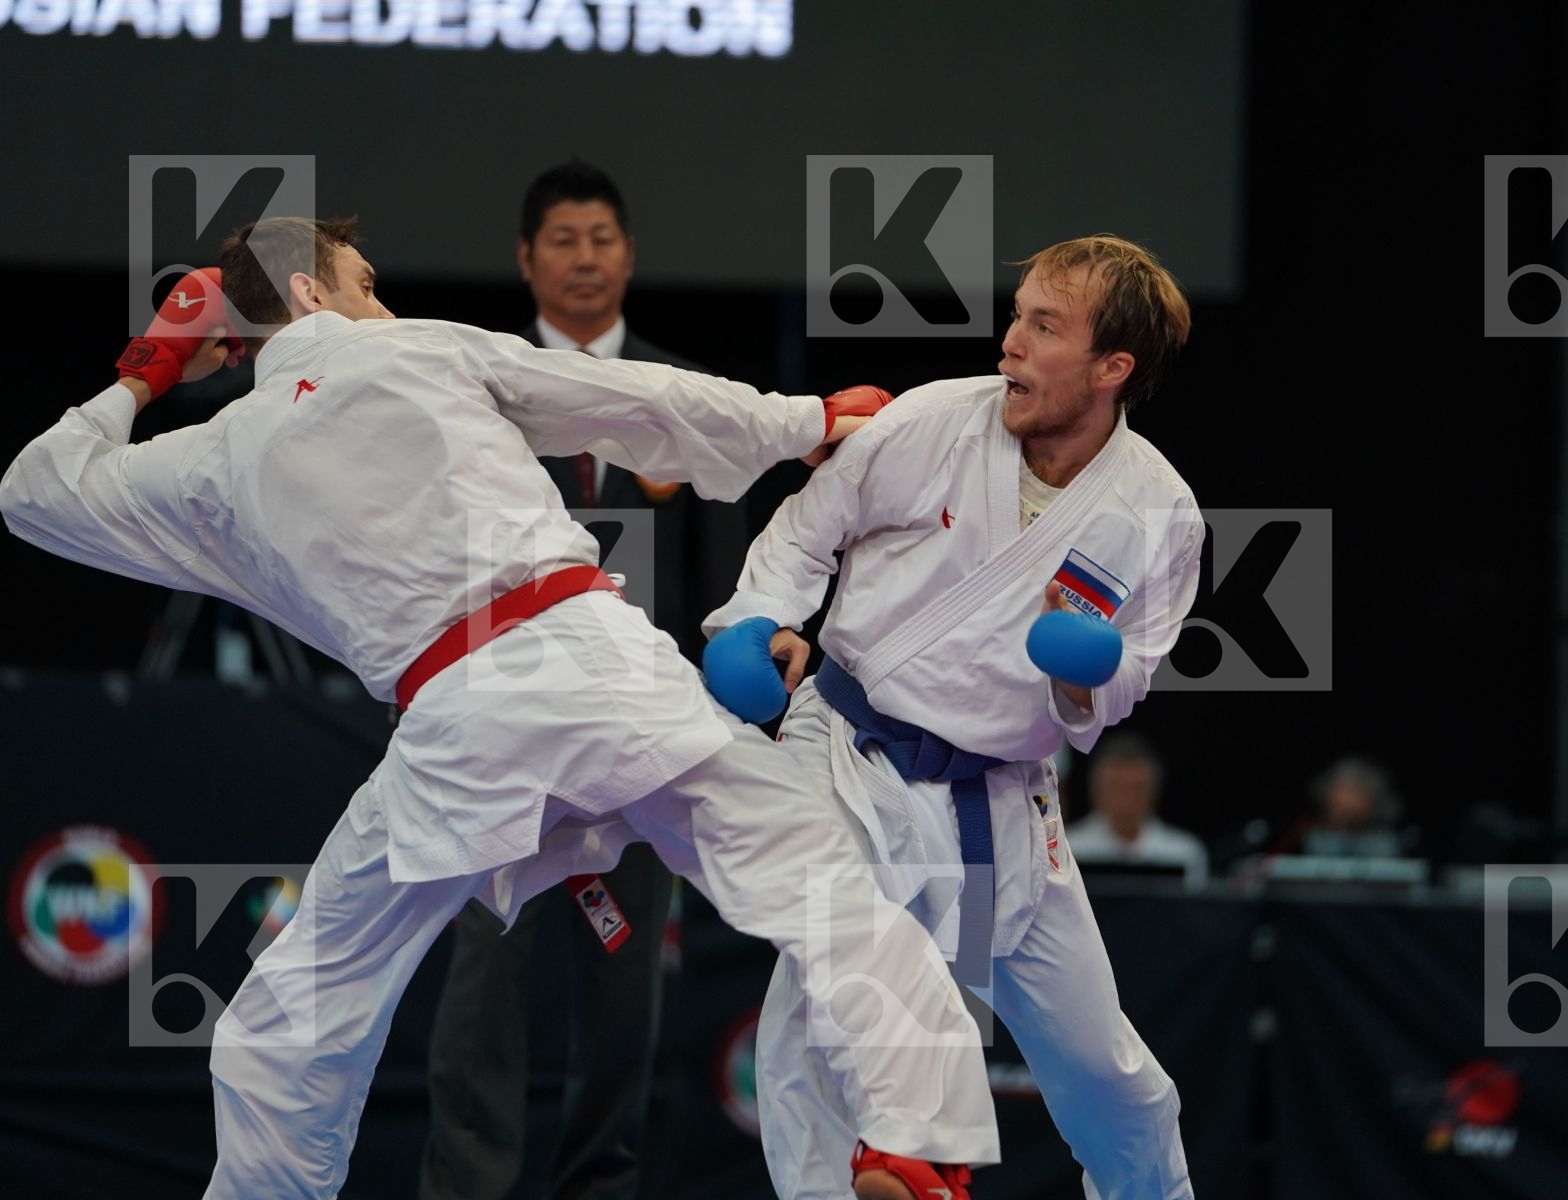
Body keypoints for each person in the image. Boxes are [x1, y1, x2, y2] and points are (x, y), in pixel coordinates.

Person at [0, 217, 995, 1199]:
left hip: (449, 734)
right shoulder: (412, 350)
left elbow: (33, 494)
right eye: (363, 279)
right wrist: (806, 422)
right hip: (585, 664)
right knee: (811, 877)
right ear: (311, 293)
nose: (377, 299)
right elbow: (622, 394)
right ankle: (913, 1141)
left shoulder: (212, 461)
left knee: (294, 1016)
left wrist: (150, 369)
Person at [705, 235, 1202, 1199]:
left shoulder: (1158, 511)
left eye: (1044, 326)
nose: (1009, 341)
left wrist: (1085, 675)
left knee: (1111, 1079)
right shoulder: (934, 421)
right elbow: (808, 533)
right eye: (1018, 315)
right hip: (851, 755)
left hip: (1005, 802)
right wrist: (757, 619)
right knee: (820, 1007)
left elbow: (1124, 682)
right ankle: (899, 1166)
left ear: (1114, 368)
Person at [421, 161, 749, 1200]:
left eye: (602, 236)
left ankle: (598, 1188)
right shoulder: (475, 400)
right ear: (527, 259)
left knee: (623, 1000)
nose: (585, 257)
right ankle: (468, 1189)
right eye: (563, 238)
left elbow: (723, 586)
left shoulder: (675, 396)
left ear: (629, 254)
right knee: (484, 986)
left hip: (640, 745)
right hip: (504, 741)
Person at [1065, 732, 1208, 889]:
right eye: (1117, 788)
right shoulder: (1069, 850)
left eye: (1136, 789)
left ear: (1153, 792)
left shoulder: (1184, 853)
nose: (1127, 799)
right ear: (1096, 791)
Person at [1300, 755, 1408, 858]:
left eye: (1344, 810)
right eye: (1333, 808)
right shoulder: (1317, 839)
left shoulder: (1384, 843)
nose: (1336, 814)